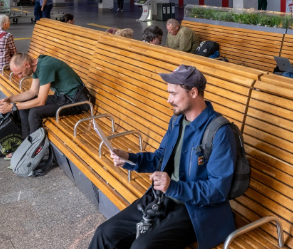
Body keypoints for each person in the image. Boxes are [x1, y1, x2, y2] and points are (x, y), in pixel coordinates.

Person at [89, 65, 238, 249]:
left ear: (193, 92)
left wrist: (173, 186)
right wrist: (129, 158)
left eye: (173, 94)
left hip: (195, 211)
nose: (169, 100)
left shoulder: (219, 132)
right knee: (104, 233)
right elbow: (161, 157)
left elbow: (217, 190)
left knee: (142, 247)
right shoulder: (177, 121)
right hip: (162, 198)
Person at [0, 53, 91, 139]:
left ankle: (34, 148)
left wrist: (13, 107)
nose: (20, 76)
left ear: (27, 65)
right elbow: (32, 92)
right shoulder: (37, 66)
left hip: (75, 101)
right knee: (23, 106)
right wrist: (10, 99)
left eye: (20, 73)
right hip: (61, 97)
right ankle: (26, 143)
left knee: (35, 113)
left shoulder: (45, 67)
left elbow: (41, 101)